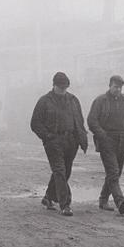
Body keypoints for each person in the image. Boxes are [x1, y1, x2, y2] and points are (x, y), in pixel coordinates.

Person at [30, 71, 88, 217]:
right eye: (60, 87)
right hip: (53, 142)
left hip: (71, 141)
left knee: (65, 172)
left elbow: (79, 121)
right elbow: (35, 123)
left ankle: (49, 197)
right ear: (54, 85)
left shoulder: (73, 100)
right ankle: (65, 204)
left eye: (65, 87)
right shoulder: (44, 101)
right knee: (60, 171)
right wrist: (48, 137)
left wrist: (81, 139)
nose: (63, 90)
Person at [87, 75, 124, 215]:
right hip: (107, 140)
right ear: (110, 86)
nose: (118, 90)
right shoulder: (100, 100)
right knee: (113, 172)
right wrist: (102, 136)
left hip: (123, 140)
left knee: (116, 173)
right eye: (115, 87)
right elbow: (92, 120)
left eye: (120, 87)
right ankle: (120, 201)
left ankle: (103, 199)